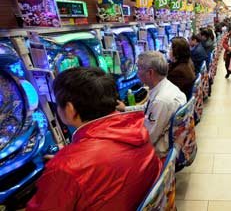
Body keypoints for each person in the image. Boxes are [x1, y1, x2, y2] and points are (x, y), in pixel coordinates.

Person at [27, 67, 162, 211]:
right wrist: (73, 152)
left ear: (70, 109)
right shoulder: (138, 127)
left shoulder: (64, 168)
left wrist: (66, 160)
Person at [117, 51, 186, 159]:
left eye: (138, 68)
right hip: (170, 139)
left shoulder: (160, 101)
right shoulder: (166, 86)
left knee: (119, 152)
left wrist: (122, 134)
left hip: (162, 150)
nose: (136, 72)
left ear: (150, 72)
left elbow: (149, 137)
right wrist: (125, 108)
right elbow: (147, 108)